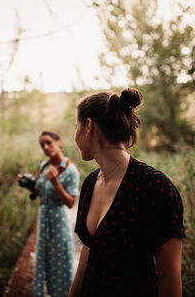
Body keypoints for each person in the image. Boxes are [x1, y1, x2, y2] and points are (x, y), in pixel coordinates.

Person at [68, 88, 186, 297]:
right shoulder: (90, 183)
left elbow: (170, 280)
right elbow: (89, 249)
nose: (74, 134)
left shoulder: (155, 187)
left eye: (75, 126)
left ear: (88, 127)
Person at [18, 131, 80, 297]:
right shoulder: (44, 166)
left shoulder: (71, 170)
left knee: (60, 262)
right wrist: (27, 184)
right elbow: (40, 191)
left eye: (48, 142)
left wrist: (55, 182)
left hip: (59, 222)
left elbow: (70, 202)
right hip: (44, 220)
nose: (45, 147)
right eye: (42, 145)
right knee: (43, 259)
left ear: (58, 142)